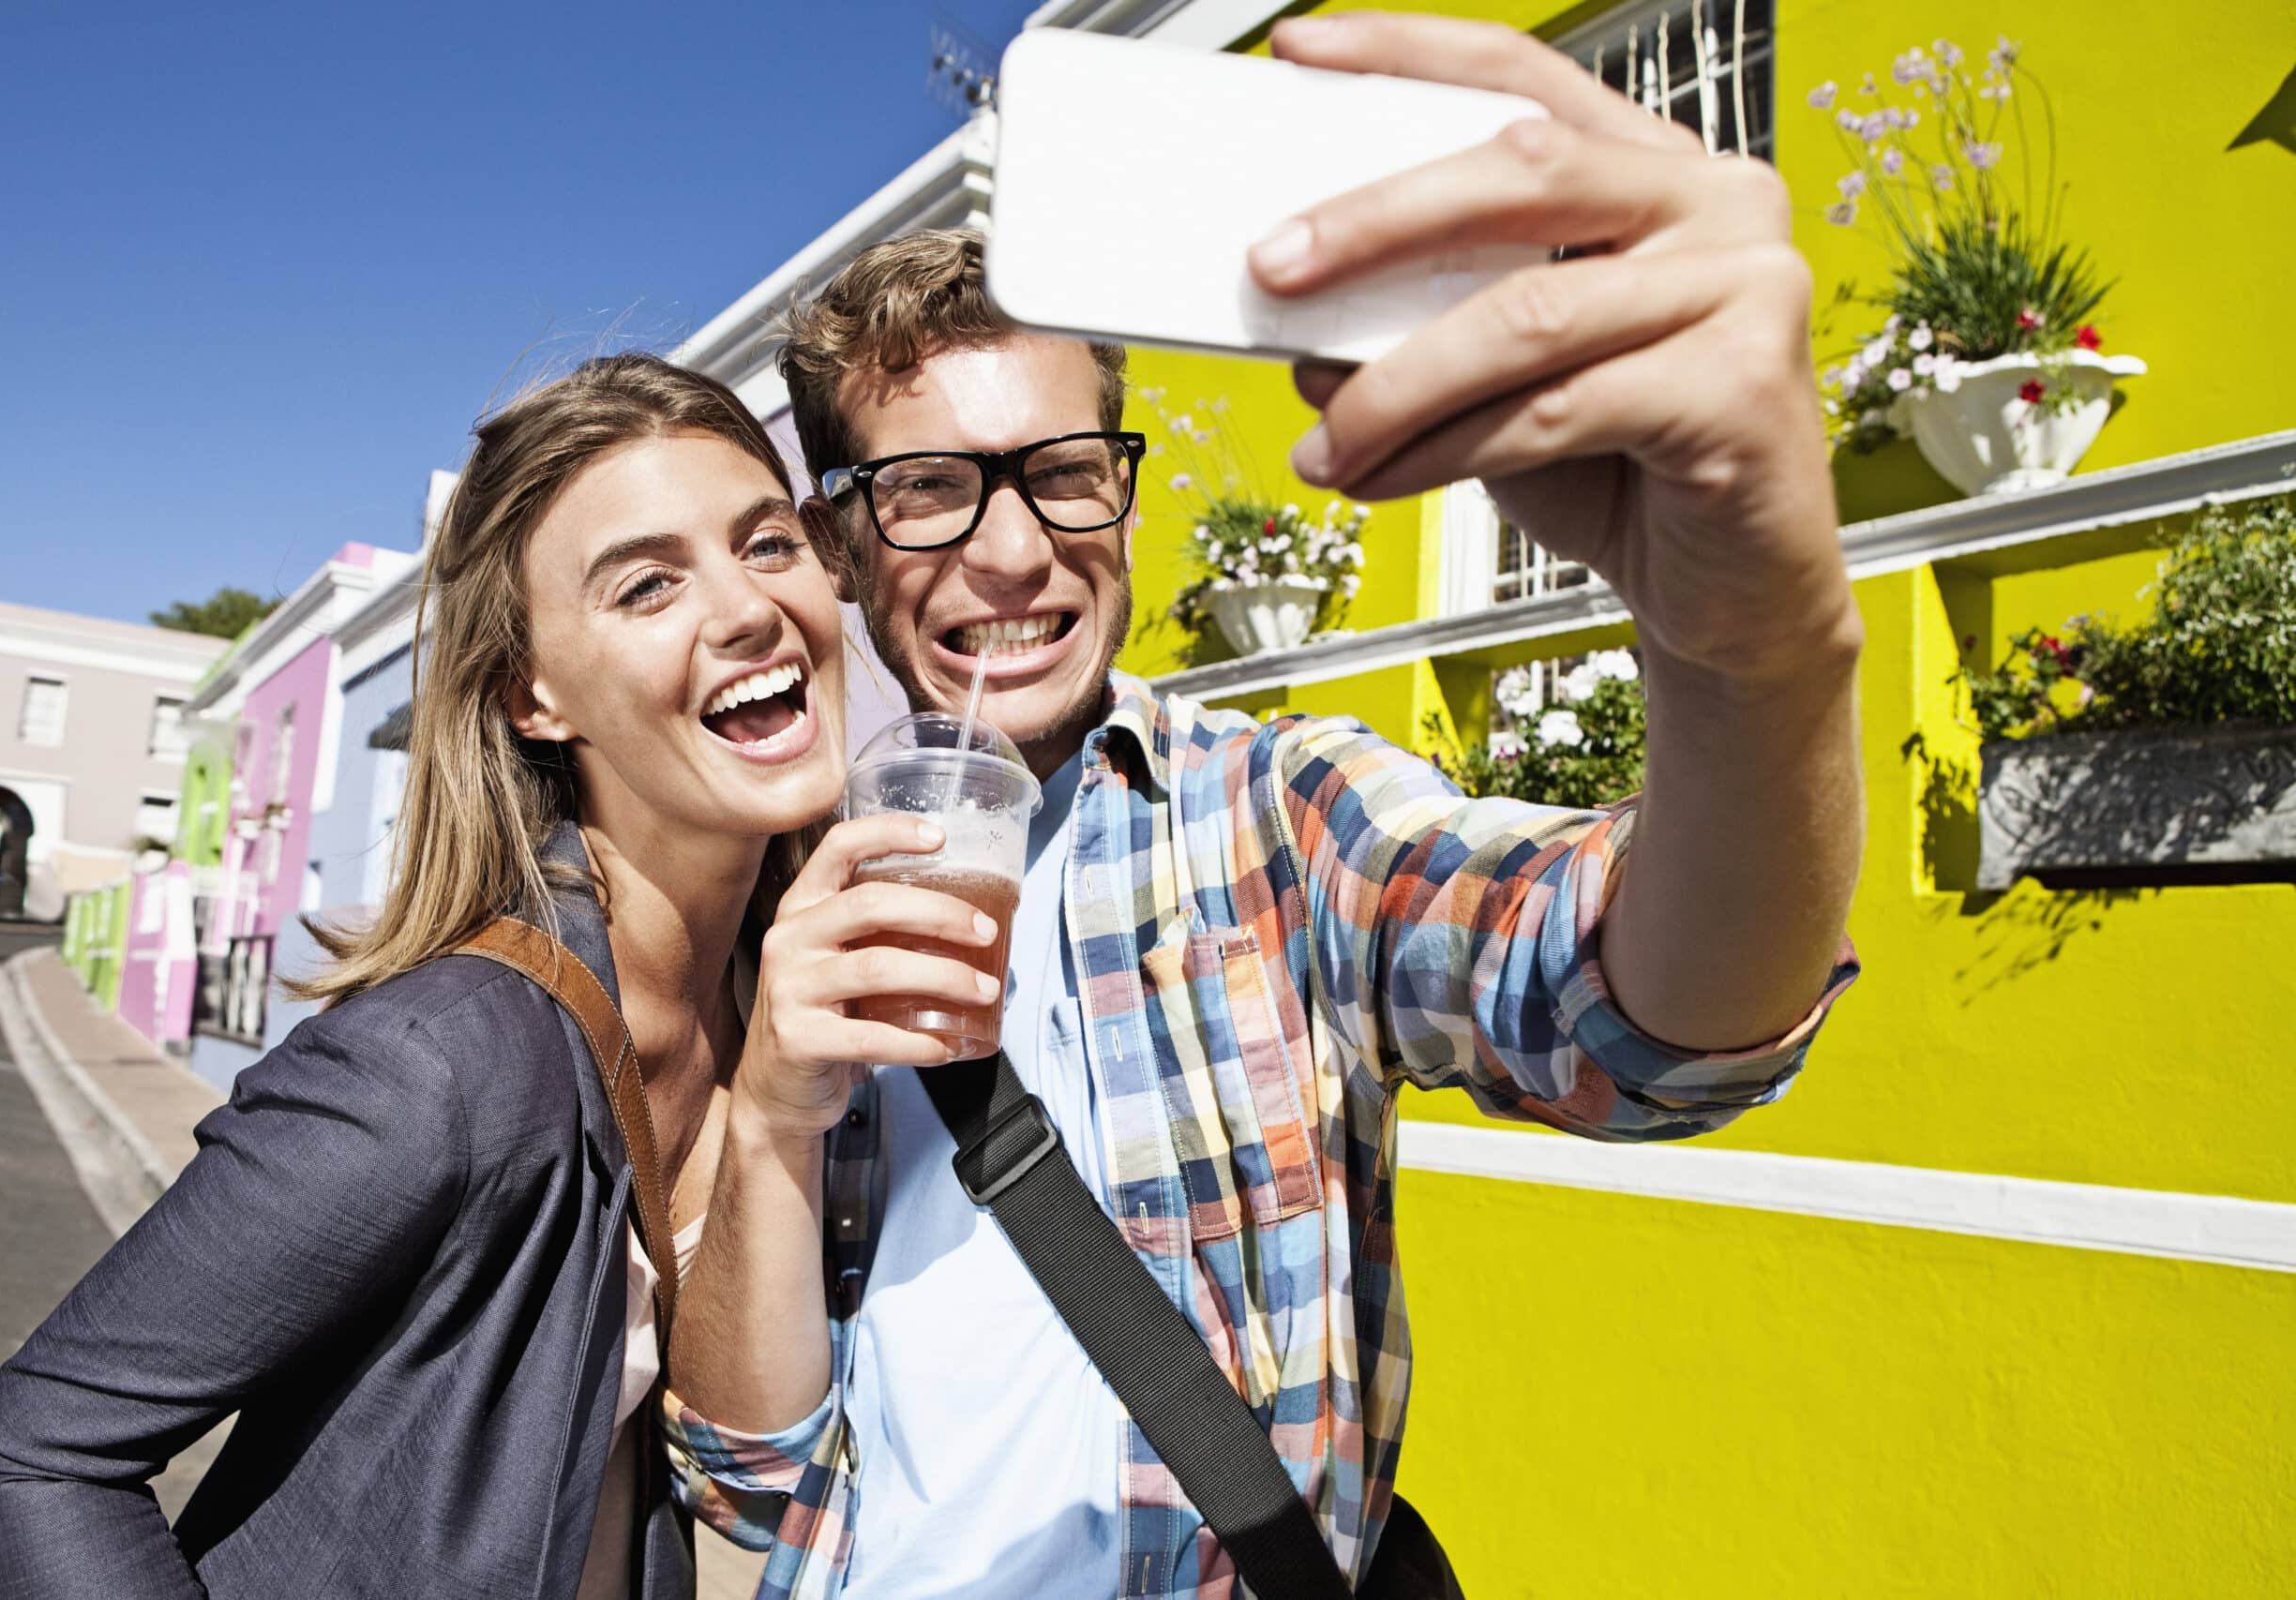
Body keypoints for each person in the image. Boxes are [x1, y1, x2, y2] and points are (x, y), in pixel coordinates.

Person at [668, 12, 1867, 1600]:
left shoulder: (1277, 816)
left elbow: (1647, 1026)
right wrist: (767, 1118)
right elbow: (752, 1487)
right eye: (931, 488)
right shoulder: (772, 908)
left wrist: (1752, 649)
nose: (1014, 551)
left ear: (1130, 491)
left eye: (1064, 469)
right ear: (842, 546)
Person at [0, 354, 977, 1599]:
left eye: (767, 544)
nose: (748, 609)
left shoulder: (776, 1004)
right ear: (533, 695)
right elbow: (37, 1455)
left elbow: (750, 1475)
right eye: (648, 584)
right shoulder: (442, 1063)